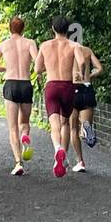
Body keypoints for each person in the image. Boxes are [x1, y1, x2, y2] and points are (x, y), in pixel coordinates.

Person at [0, 15, 38, 175]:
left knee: (12, 128)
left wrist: (6, 69)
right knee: (24, 122)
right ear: (23, 29)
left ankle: (18, 163)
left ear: (10, 28)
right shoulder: (30, 43)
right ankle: (25, 136)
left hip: (10, 84)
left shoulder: (4, 45)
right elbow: (38, 63)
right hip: (25, 84)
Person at [35, 15, 78, 177]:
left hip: (52, 86)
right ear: (68, 29)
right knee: (65, 122)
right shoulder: (73, 46)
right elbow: (79, 65)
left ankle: (57, 149)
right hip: (68, 86)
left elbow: (37, 69)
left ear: (53, 28)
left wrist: (49, 67)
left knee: (54, 122)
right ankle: (64, 156)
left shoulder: (45, 46)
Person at [68, 28, 104, 173]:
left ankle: (80, 161)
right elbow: (100, 68)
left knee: (72, 129)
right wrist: (89, 76)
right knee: (86, 123)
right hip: (87, 89)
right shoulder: (87, 50)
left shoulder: (67, 50)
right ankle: (87, 128)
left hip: (72, 89)